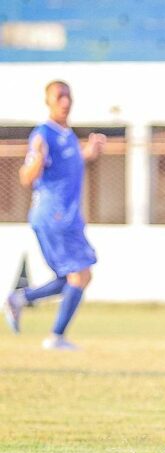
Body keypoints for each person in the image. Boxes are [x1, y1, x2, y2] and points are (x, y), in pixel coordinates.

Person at [4, 80, 106, 351]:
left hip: (66, 217)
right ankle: (56, 337)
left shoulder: (66, 133)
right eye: (59, 96)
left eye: (68, 95)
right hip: (55, 215)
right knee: (79, 276)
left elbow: (66, 165)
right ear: (47, 101)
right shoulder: (43, 134)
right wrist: (36, 161)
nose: (65, 101)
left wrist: (89, 153)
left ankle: (21, 299)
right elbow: (26, 177)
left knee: (74, 276)